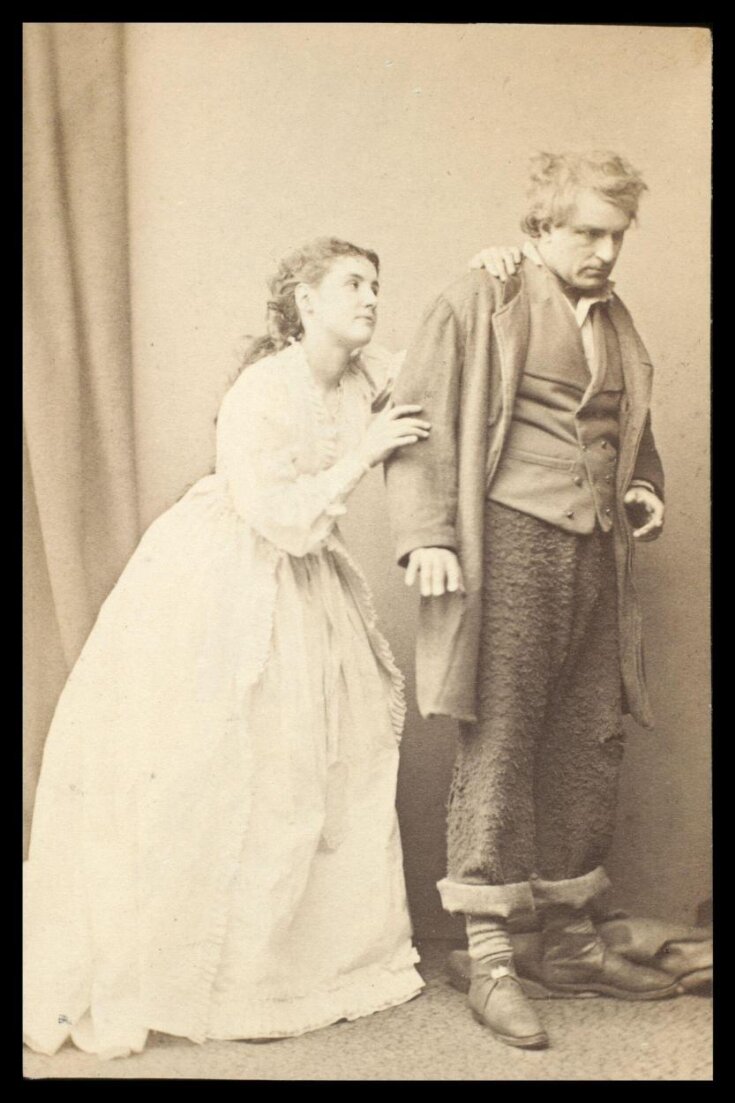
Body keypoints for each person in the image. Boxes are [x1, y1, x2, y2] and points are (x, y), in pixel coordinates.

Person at [23, 237, 433, 1059]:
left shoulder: (366, 373)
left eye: (376, 286)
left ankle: (283, 969)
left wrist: (496, 267)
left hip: (304, 580)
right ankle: (199, 974)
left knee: (311, 768)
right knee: (214, 761)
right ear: (305, 301)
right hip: (223, 574)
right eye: (352, 284)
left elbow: (441, 365)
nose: (369, 299)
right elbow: (277, 516)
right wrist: (364, 452)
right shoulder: (263, 388)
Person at [385, 152, 681, 1051]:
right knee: (502, 735)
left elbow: (624, 425)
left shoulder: (613, 317)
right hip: (507, 545)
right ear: (541, 227)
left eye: (616, 235)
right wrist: (428, 534)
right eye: (586, 232)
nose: (604, 251)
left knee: (588, 736)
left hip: (597, 554)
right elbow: (417, 421)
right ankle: (488, 957)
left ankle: (570, 942)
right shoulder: (483, 297)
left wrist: (643, 487)